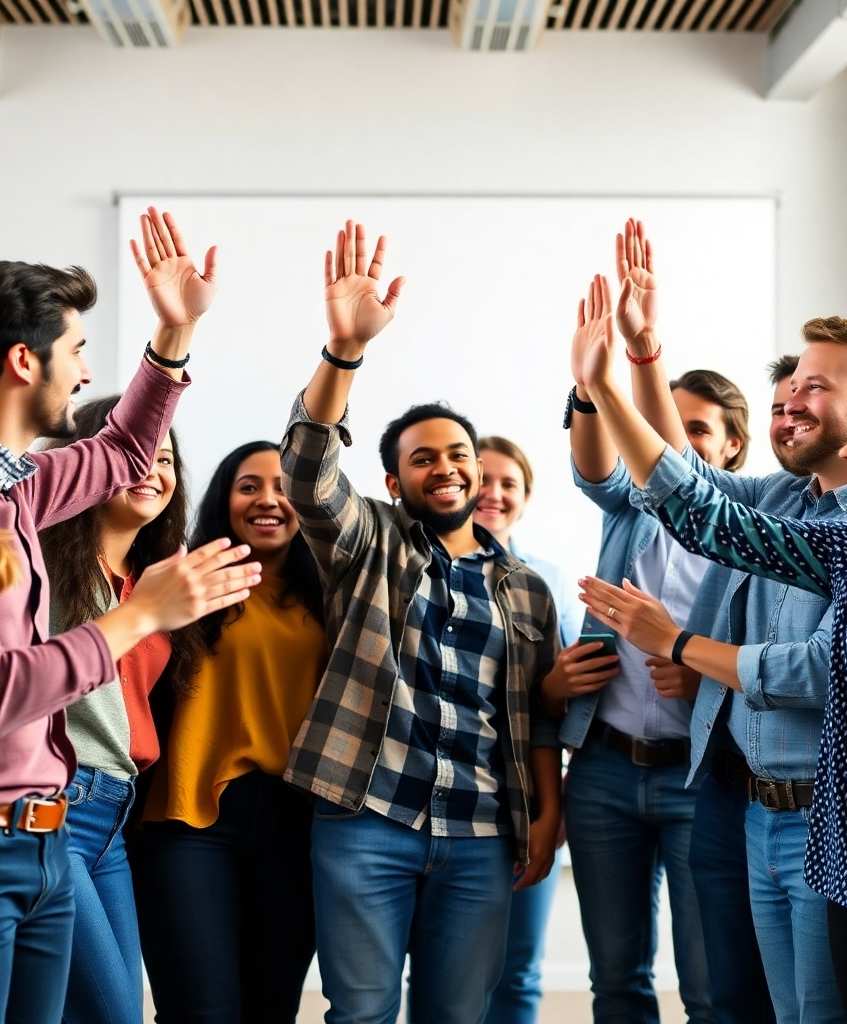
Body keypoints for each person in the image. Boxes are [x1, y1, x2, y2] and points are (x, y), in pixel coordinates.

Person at [0, 207, 259, 1023]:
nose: (82, 373)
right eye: (75, 352)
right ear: (23, 360)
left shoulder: (9, 497)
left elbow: (125, 451)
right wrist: (137, 617)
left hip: (42, 840)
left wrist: (173, 333)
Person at [574, 307, 847, 1024]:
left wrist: (679, 643)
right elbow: (701, 509)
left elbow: (820, 670)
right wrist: (615, 385)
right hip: (845, 840)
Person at [280, 220, 563, 1024]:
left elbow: (538, 720)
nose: (446, 468)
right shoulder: (369, 541)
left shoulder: (527, 590)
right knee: (362, 1013)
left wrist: (545, 816)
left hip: (480, 831)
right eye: (423, 459)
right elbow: (306, 470)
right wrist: (344, 351)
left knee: (458, 1016)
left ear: (480, 467)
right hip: (366, 817)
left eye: (458, 454)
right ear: (394, 481)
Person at [546, 266, 747, 1024]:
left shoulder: (750, 533)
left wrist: (703, 680)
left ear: (731, 449)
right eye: (668, 422)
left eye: (695, 429)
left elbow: (768, 663)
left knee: (708, 983)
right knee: (618, 982)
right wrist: (590, 387)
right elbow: (594, 463)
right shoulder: (630, 507)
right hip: (604, 771)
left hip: (702, 775)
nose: (671, 440)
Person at [130, 441, 325, 1024]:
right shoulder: (181, 579)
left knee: (271, 1009)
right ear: (225, 498)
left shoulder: (329, 595)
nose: (268, 499)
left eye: (283, 488)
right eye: (249, 486)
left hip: (297, 821)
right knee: (200, 1011)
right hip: (186, 816)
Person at [38, 397, 201, 1024]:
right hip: (58, 804)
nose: (150, 470)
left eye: (164, 460)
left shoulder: (156, 578)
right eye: (133, 453)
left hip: (114, 816)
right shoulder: (45, 562)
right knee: (112, 1014)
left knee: (113, 1009)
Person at [474, 435, 579, 1024]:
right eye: (483, 479)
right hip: (453, 792)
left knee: (518, 969)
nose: (493, 493)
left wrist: (551, 804)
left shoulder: (551, 580)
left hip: (527, 792)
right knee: (442, 965)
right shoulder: (415, 569)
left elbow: (554, 703)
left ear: (526, 497)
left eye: (508, 483)